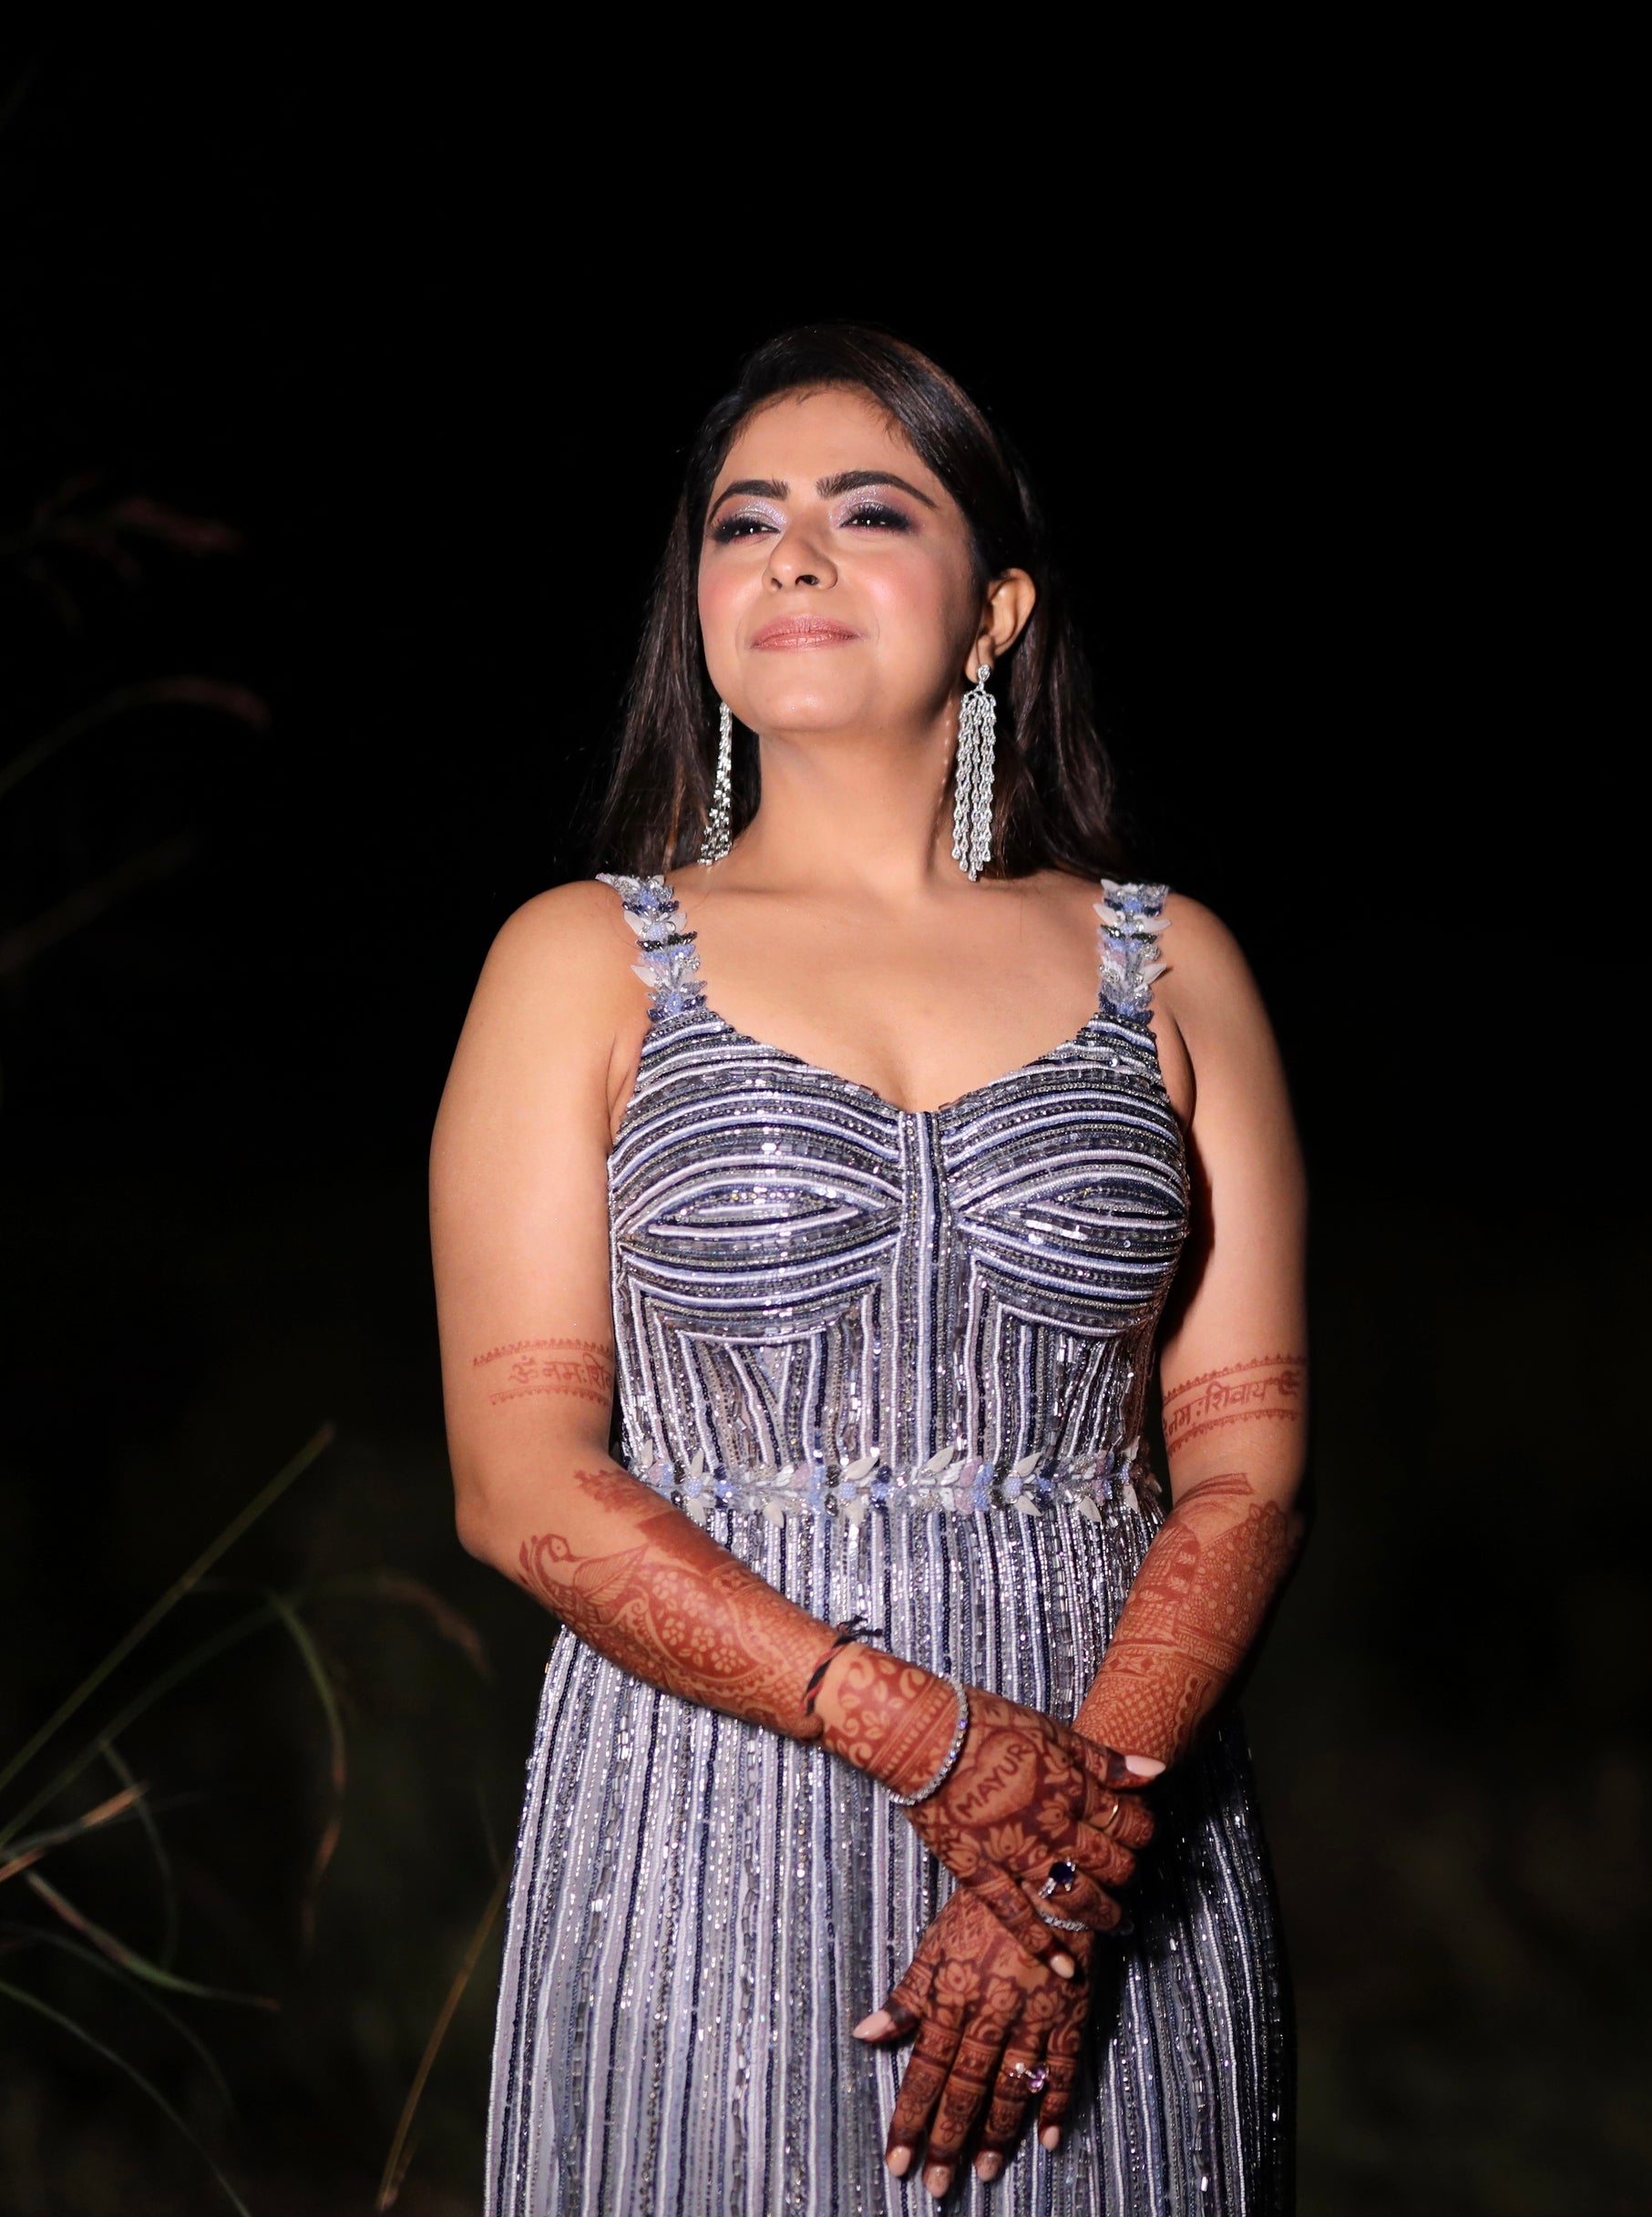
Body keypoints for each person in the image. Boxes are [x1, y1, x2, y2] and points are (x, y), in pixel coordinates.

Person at [430, 324, 1308, 2215]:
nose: (794, 556)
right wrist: (921, 1735)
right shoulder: (576, 959)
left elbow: (1244, 1466)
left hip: (1112, 1816)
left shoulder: (1172, 963)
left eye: (869, 511)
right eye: (744, 521)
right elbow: (519, 1481)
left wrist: (1062, 1847)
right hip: (710, 1808)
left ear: (996, 613)